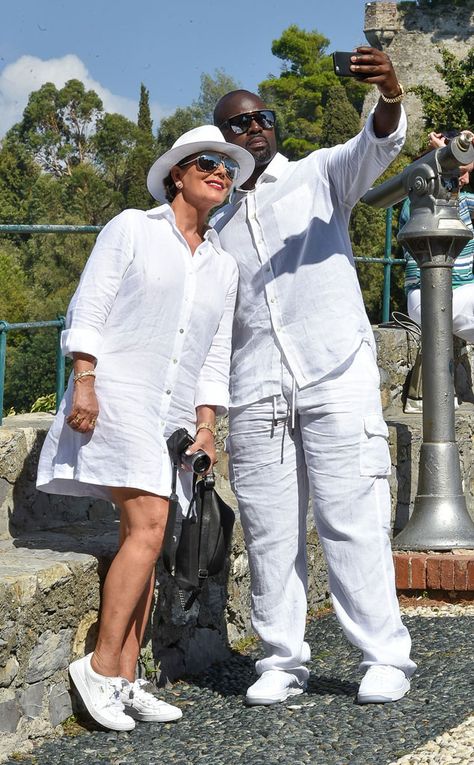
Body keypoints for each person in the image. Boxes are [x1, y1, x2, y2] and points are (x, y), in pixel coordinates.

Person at [211, 46, 417, 707]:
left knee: (350, 516)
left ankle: (384, 654)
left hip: (335, 370)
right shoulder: (212, 225)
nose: (255, 127)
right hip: (256, 387)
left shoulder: (319, 175)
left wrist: (389, 91)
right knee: (270, 529)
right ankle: (280, 660)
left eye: (262, 117)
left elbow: (377, 143)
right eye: (239, 124)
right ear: (222, 142)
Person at [36, 125, 254, 731]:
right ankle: (102, 669)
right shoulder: (132, 227)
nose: (221, 173)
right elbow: (92, 305)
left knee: (151, 537)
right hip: (120, 397)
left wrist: (207, 425)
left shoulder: (222, 265)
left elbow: (213, 354)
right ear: (177, 174)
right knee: (151, 524)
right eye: (208, 162)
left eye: (229, 168)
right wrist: (84, 380)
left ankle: (128, 679)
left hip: (176, 415)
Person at [402, 130, 474, 340]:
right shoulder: (419, 201)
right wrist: (443, 154)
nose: (466, 179)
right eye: (462, 171)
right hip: (425, 296)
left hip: (465, 295)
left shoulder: (464, 202)